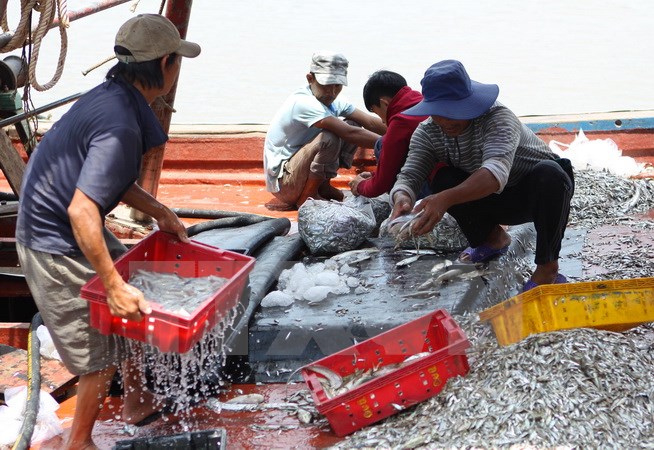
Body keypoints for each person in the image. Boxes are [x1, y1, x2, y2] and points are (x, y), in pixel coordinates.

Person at [15, 14, 200, 449]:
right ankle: (79, 441)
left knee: (137, 302)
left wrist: (160, 211)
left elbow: (109, 179)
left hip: (66, 223)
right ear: (167, 63)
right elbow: (83, 211)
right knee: (99, 346)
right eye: (178, 62)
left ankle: (136, 401)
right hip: (55, 242)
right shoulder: (119, 123)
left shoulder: (113, 94)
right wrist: (112, 285)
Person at [389, 59, 574, 292]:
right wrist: (402, 197)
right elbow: (411, 173)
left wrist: (445, 199)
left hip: (536, 194)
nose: (445, 120)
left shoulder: (498, 118)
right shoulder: (427, 132)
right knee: (443, 178)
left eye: (452, 111)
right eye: (438, 112)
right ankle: (492, 239)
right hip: (491, 198)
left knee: (551, 173)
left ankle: (548, 268)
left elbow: (494, 173)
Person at [263, 51, 387, 210]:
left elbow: (369, 121)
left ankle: (323, 186)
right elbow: (349, 134)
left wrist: (406, 133)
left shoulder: (335, 100)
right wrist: (391, 144)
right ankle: (307, 197)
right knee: (329, 136)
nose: (332, 92)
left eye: (337, 85)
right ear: (310, 78)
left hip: (301, 172)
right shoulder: (303, 102)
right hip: (285, 184)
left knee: (354, 123)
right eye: (326, 85)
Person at [349, 70, 441, 199]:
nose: (381, 120)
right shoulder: (422, 102)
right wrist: (375, 176)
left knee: (381, 144)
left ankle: (408, 203)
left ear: (384, 103)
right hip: (454, 177)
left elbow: (379, 187)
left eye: (376, 112)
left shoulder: (401, 122)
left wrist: (360, 185)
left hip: (435, 189)